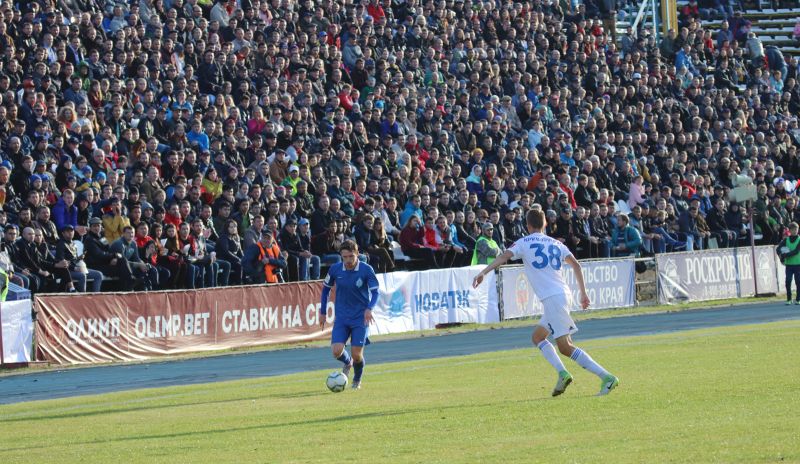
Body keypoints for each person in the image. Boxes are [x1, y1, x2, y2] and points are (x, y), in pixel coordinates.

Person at [471, 209, 619, 397]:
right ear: (545, 224)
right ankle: (563, 374)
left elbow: (503, 256)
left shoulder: (523, 242)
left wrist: (483, 272)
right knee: (538, 337)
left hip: (553, 298)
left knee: (565, 347)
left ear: (527, 225)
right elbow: (576, 264)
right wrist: (583, 293)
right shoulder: (556, 243)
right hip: (562, 294)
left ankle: (607, 377)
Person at [319, 240, 379, 390]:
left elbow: (376, 292)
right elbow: (325, 290)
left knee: (357, 355)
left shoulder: (366, 270)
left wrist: (369, 308)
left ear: (357, 254)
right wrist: (323, 311)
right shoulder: (335, 269)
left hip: (360, 318)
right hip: (342, 317)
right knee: (336, 351)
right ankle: (347, 362)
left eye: (351, 256)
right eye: (344, 257)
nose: (348, 260)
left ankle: (356, 380)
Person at [776, 222, 800, 305]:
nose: (795, 231)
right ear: (789, 230)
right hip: (789, 265)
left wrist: (784, 255)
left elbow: (796, 251)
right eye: (793, 229)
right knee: (788, 281)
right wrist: (781, 257)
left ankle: (798, 299)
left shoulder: (799, 239)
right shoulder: (786, 240)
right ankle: (789, 299)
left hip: (798, 264)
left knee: (798, 282)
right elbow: (778, 249)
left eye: (796, 229)